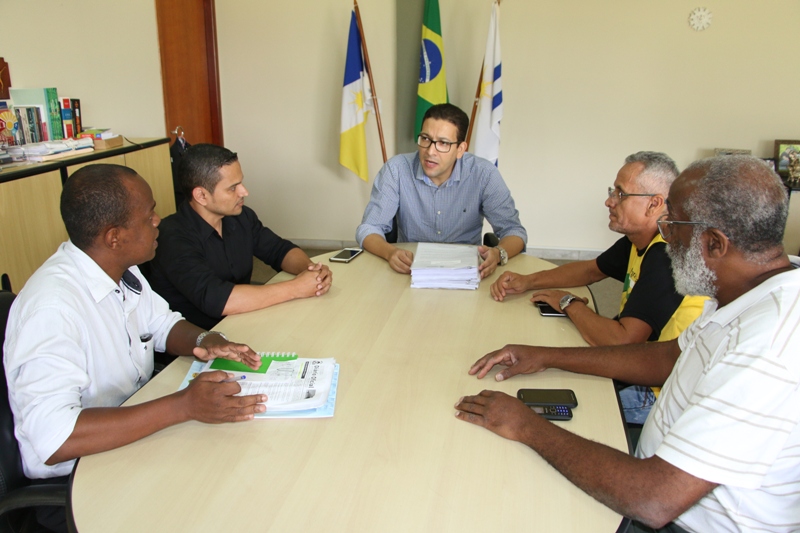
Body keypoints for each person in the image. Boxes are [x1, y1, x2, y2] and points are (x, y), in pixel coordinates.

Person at [456, 155, 800, 532]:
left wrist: (525, 425)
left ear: (715, 244)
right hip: (656, 481)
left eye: (673, 225)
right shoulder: (742, 294)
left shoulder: (768, 346)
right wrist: (545, 356)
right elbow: (667, 358)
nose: (666, 238)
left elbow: (653, 499)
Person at [4, 165, 267, 531]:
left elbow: (162, 324)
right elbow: (56, 437)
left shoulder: (119, 269)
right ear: (114, 237)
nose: (158, 221)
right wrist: (183, 405)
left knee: (242, 472)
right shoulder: (52, 310)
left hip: (132, 435)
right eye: (149, 215)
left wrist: (206, 341)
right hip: (78, 480)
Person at [491, 152, 707, 423]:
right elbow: (591, 270)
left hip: (659, 390)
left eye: (621, 193)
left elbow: (621, 342)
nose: (609, 201)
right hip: (637, 363)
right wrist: (528, 281)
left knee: (550, 393)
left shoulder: (666, 256)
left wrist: (569, 303)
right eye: (612, 191)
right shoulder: (640, 239)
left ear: (654, 204)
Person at [148, 144, 332, 330]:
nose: (244, 192)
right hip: (203, 338)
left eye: (241, 183)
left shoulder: (240, 216)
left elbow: (279, 250)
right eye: (232, 188)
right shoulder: (172, 238)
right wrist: (296, 288)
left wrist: (311, 271)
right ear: (201, 195)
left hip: (244, 319)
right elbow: (218, 299)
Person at [355, 103, 527, 278]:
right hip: (410, 269)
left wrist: (498, 254)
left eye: (443, 143)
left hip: (466, 272)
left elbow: (514, 231)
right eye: (425, 138)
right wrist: (390, 252)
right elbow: (369, 228)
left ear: (460, 149)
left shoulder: (484, 174)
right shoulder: (396, 169)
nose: (430, 151)